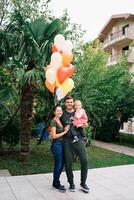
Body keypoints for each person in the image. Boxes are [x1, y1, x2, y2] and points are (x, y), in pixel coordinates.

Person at [61, 96, 89, 193]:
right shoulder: (62, 113)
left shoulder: (78, 111)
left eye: (71, 102)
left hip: (79, 139)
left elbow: (84, 123)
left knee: (85, 160)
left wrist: (85, 125)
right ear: (65, 103)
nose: (69, 103)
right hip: (67, 140)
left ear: (73, 103)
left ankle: (83, 183)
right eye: (67, 102)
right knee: (68, 163)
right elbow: (56, 124)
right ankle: (71, 183)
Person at [50, 105, 70, 192]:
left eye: (61, 110)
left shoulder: (60, 120)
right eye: (58, 110)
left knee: (61, 165)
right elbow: (54, 136)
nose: (60, 112)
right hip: (56, 145)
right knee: (58, 165)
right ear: (54, 112)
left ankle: (56, 182)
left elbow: (60, 131)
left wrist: (65, 128)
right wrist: (65, 132)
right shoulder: (53, 121)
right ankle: (55, 184)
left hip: (61, 144)